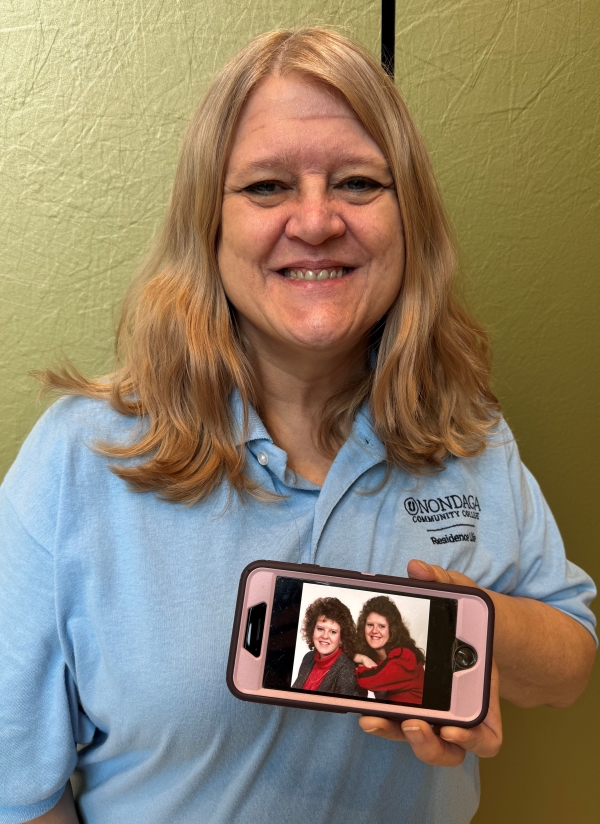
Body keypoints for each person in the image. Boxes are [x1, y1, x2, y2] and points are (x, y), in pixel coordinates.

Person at [0, 26, 596, 824]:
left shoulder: (468, 436)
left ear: (408, 217)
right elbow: (19, 789)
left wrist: (466, 635)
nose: (316, 222)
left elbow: (568, 666)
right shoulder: (83, 456)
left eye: (356, 183)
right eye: (267, 188)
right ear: (207, 226)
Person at [353, 595, 425, 705]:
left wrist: (360, 661)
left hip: (418, 718)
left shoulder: (405, 656)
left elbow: (367, 680)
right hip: (395, 715)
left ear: (392, 630)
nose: (374, 631)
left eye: (381, 626)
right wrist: (362, 657)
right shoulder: (375, 657)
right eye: (370, 625)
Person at [291, 596, 365, 696]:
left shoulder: (347, 670)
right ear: (312, 630)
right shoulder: (308, 658)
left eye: (333, 632)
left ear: (342, 638)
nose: (325, 636)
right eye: (320, 629)